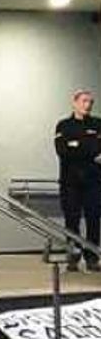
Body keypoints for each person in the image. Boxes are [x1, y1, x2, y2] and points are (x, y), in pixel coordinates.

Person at [54, 89, 101, 271]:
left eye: (90, 102)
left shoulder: (98, 124)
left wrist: (76, 145)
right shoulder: (63, 126)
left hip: (93, 182)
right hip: (70, 182)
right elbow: (62, 152)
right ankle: (73, 257)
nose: (87, 105)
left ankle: (92, 258)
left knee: (93, 220)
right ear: (74, 103)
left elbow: (76, 149)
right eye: (84, 101)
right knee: (71, 220)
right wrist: (91, 152)